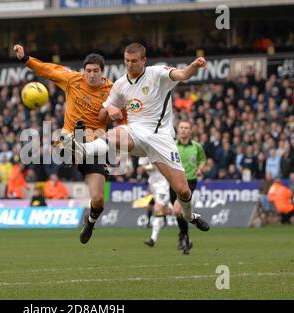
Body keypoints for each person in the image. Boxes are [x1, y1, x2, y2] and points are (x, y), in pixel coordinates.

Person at [64, 43, 210, 245]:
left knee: (183, 191)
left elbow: (184, 75)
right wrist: (111, 111)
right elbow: (102, 114)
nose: (130, 64)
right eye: (127, 61)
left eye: (134, 61)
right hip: (135, 133)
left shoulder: (157, 74)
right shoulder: (120, 84)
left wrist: (194, 65)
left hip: (161, 139)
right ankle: (80, 148)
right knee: (114, 135)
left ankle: (190, 216)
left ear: (143, 60)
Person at [14, 44, 116, 244]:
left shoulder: (113, 91)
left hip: (96, 146)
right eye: (88, 71)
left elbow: (125, 117)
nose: (91, 75)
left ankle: (90, 221)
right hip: (69, 136)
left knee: (98, 200)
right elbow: (48, 69)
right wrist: (25, 58)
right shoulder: (73, 79)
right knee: (63, 138)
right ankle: (68, 151)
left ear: (103, 72)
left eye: (96, 71)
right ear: (83, 71)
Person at [170, 120, 206, 254]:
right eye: (181, 127)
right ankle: (186, 240)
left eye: (186, 128)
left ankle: (182, 237)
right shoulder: (172, 145)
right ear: (177, 130)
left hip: (189, 182)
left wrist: (200, 169)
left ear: (190, 131)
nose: (184, 130)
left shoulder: (197, 146)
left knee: (177, 209)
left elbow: (202, 159)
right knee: (179, 213)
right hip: (173, 182)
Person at [142, 160, 172, 248]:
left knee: (157, 209)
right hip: (154, 187)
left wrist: (148, 167)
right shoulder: (150, 155)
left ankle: (152, 239)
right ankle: (186, 236)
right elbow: (149, 169)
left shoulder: (163, 155)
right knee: (166, 211)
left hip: (163, 187)